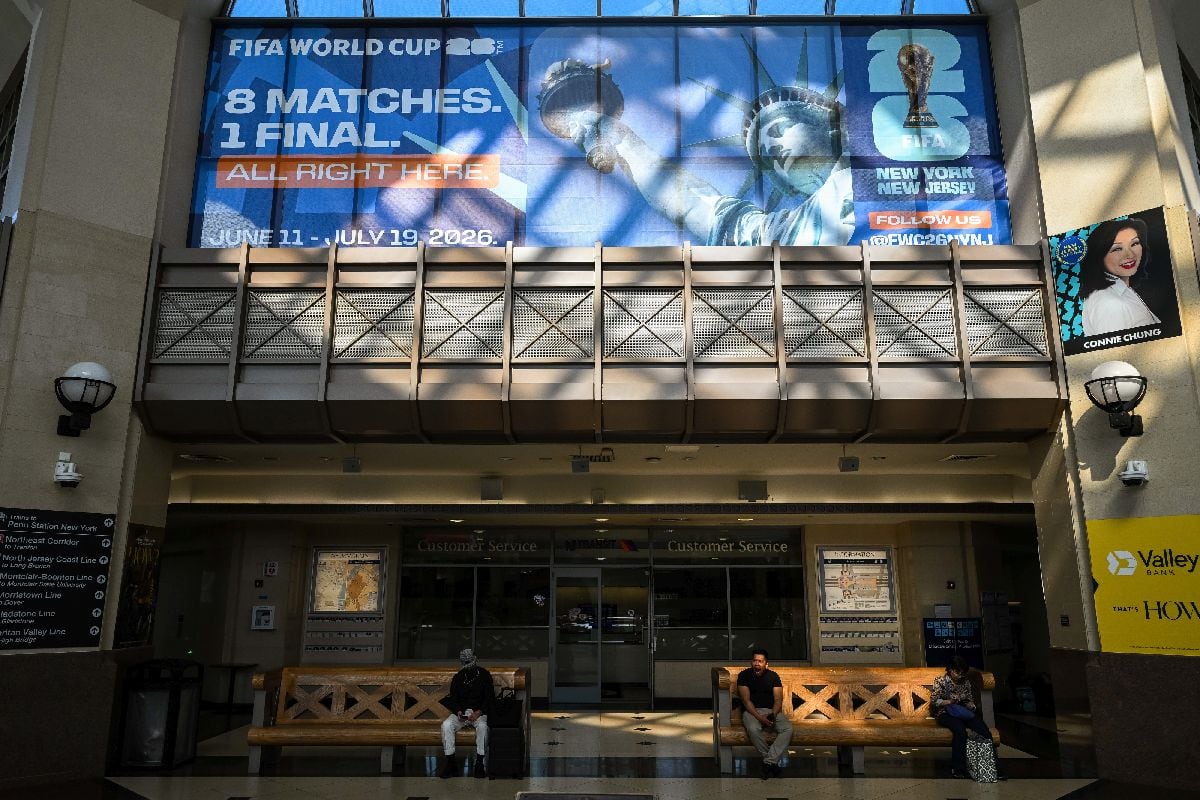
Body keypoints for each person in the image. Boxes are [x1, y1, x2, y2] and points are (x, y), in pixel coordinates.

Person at [551, 61, 854, 247]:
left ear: (831, 127)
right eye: (765, 157)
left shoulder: (874, 159)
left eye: (778, 129)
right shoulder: (784, 233)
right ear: (787, 187)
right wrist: (622, 140)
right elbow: (696, 205)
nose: (773, 150)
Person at [1079, 216, 1160, 336]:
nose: (1130, 255)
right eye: (1117, 249)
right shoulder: (1111, 304)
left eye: (1134, 243)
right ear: (1099, 256)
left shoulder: (1121, 290)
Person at [931, 655, 1002, 779]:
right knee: (960, 731)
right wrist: (949, 701)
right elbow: (934, 701)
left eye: (962, 673)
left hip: (963, 712)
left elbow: (969, 700)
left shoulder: (966, 682)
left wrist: (971, 705)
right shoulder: (941, 681)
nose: (960, 676)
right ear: (950, 669)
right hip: (945, 712)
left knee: (984, 730)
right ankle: (958, 768)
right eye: (957, 672)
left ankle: (993, 766)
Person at [736, 648, 793, 779]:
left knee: (788, 729)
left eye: (760, 661)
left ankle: (768, 762)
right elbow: (746, 701)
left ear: (766, 664)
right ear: (751, 662)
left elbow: (778, 700)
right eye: (754, 660)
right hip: (752, 712)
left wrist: (772, 714)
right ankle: (772, 763)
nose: (757, 664)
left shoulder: (773, 676)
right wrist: (760, 717)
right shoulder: (744, 676)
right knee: (753, 728)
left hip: (771, 711)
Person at [439, 648, 493, 779]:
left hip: (479, 713)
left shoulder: (484, 675)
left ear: (475, 660)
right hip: (461, 713)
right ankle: (451, 762)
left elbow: (490, 698)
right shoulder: (458, 677)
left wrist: (479, 712)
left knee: (482, 727)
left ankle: (479, 763)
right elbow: (453, 698)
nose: (469, 666)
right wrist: (458, 711)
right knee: (446, 725)